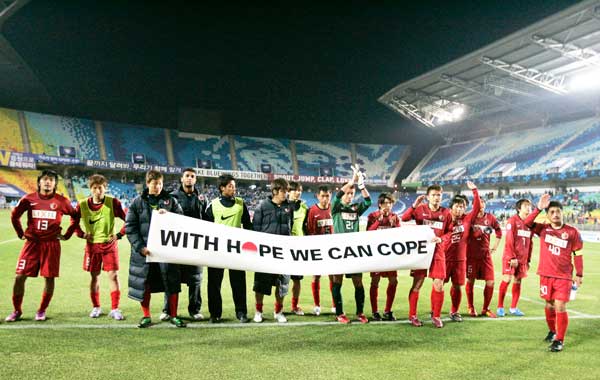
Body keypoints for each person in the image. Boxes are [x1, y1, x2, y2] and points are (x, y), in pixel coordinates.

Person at [5, 169, 78, 322]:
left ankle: (41, 310)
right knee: (19, 277)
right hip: (32, 244)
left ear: (55, 184)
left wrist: (67, 235)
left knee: (49, 278)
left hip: (51, 244)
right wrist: (20, 233)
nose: (47, 181)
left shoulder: (61, 201)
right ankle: (17, 310)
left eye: (51, 179)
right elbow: (15, 216)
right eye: (44, 179)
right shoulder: (28, 199)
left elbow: (75, 217)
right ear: (39, 182)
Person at [126, 170, 186, 328]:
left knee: (172, 283)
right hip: (144, 253)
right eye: (154, 184)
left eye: (160, 184)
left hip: (166, 252)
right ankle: (146, 316)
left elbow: (182, 221)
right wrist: (140, 247)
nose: (158, 187)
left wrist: (169, 216)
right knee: (144, 283)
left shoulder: (170, 201)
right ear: (147, 184)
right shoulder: (136, 202)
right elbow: (130, 228)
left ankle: (173, 315)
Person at [526, 194, 583, 352]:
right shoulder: (543, 229)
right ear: (548, 215)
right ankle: (552, 331)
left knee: (559, 305)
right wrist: (538, 208)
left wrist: (579, 274)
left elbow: (578, 253)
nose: (555, 214)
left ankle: (560, 340)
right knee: (549, 304)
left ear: (562, 213)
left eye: (558, 211)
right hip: (545, 274)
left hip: (563, 276)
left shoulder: (572, 232)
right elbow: (527, 223)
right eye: (551, 212)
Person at [71, 174, 127, 320]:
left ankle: (115, 308)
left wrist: (119, 234)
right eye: (94, 188)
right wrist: (82, 234)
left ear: (105, 188)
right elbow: (73, 223)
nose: (98, 191)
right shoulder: (82, 205)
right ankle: (96, 307)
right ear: (90, 189)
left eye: (100, 188)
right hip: (92, 247)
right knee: (94, 276)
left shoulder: (113, 202)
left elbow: (129, 219)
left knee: (113, 276)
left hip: (109, 246)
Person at [401, 184, 451, 327]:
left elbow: (450, 231)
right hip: (421, 251)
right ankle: (412, 316)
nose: (437, 197)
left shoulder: (446, 213)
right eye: (434, 195)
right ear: (428, 196)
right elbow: (404, 218)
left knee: (439, 284)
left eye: (439, 195)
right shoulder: (420, 209)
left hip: (438, 251)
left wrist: (441, 239)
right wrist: (414, 205)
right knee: (417, 283)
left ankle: (436, 316)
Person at [204, 174, 252, 323]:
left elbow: (248, 226)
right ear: (222, 188)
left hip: (236, 251)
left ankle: (241, 313)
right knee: (214, 284)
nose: (234, 188)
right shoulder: (213, 205)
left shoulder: (241, 203)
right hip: (216, 251)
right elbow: (204, 228)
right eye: (230, 186)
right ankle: (215, 314)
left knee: (238, 283)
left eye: (234, 186)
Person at [160, 168, 205, 322]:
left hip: (195, 245)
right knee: (172, 278)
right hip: (176, 245)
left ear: (195, 180)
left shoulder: (201, 199)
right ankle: (168, 310)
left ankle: (194, 309)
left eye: (193, 176)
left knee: (195, 279)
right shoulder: (171, 197)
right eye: (187, 176)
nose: (189, 179)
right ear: (181, 179)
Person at [331, 165, 372, 324]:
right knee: (337, 281)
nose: (348, 196)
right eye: (347, 193)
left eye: (351, 194)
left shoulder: (356, 208)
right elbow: (338, 194)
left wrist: (361, 186)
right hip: (338, 251)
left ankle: (360, 313)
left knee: (358, 282)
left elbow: (368, 201)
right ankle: (340, 313)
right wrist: (351, 181)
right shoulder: (336, 207)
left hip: (354, 251)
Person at [252, 178, 293, 323]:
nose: (286, 194)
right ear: (275, 191)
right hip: (265, 252)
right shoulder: (262, 206)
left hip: (283, 252)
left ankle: (278, 311)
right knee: (260, 283)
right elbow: (255, 228)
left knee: (282, 283)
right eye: (283, 191)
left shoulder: (289, 207)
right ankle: (258, 311)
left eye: (287, 191)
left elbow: (290, 226)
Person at [439, 183, 481, 325]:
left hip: (460, 260)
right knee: (439, 285)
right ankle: (436, 309)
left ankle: (454, 311)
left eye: (462, 206)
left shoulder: (467, 220)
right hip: (444, 258)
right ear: (451, 207)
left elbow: (476, 208)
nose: (460, 208)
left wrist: (474, 191)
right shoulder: (444, 218)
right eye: (457, 206)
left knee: (457, 286)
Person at [497, 198, 535, 317]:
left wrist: (528, 259)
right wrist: (512, 257)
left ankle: (513, 308)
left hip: (522, 259)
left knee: (518, 280)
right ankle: (500, 307)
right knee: (507, 279)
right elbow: (509, 240)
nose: (529, 208)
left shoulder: (530, 224)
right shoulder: (512, 221)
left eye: (530, 206)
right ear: (519, 208)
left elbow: (530, 242)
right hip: (511, 257)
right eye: (525, 206)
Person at [465, 198, 502, 318]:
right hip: (471, 255)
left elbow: (499, 232)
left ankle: (486, 308)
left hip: (485, 256)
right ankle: (470, 307)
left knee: (490, 282)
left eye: (482, 204)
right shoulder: (469, 217)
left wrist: (494, 247)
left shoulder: (490, 218)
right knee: (470, 280)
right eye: (478, 204)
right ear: (473, 205)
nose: (481, 206)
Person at [367, 192, 400, 321]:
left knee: (394, 281)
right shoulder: (372, 216)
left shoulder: (394, 217)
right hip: (376, 256)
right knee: (375, 281)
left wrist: (394, 225)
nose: (387, 206)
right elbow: (368, 234)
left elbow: (400, 234)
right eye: (385, 203)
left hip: (390, 256)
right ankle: (375, 311)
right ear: (380, 205)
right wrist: (378, 222)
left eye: (390, 203)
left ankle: (387, 310)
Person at [306, 185, 334, 316]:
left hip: (332, 250)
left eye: (327, 196)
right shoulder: (312, 211)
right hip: (318, 250)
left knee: (333, 278)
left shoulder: (333, 208)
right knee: (316, 277)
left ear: (331, 196)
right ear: (318, 196)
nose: (325, 198)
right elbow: (310, 232)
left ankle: (335, 305)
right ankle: (317, 305)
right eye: (322, 196)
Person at [288, 181, 308, 315]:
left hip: (298, 249)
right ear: (288, 191)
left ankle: (295, 306)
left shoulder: (304, 208)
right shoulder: (282, 206)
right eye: (295, 190)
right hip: (283, 247)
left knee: (297, 280)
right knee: (281, 281)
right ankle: (278, 308)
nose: (297, 192)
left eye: (299, 190)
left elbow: (306, 228)